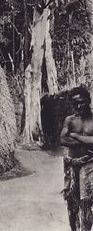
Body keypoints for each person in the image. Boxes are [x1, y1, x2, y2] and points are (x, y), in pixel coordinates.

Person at [61, 86, 93, 231]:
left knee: (86, 201)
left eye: (82, 102)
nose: (79, 106)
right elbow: (63, 139)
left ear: (89, 101)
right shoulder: (70, 120)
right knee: (72, 201)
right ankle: (74, 228)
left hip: (89, 163)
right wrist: (86, 140)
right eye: (75, 104)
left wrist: (76, 136)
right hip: (71, 163)